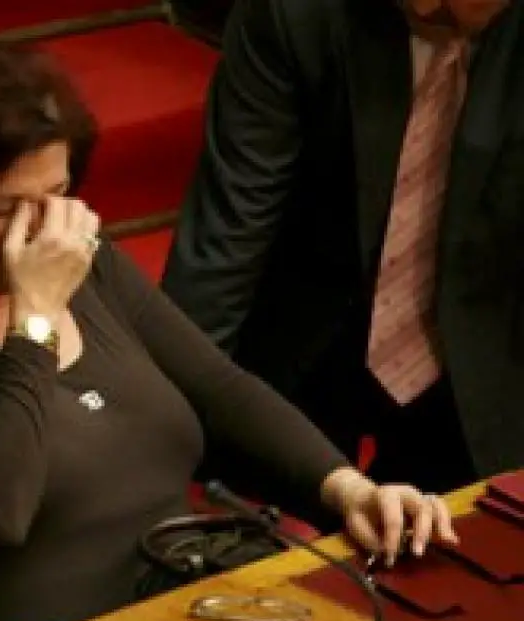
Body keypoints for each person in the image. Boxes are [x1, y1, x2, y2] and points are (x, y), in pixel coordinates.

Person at [0, 36, 457, 621]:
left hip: (202, 597)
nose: (42, 231)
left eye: (57, 195)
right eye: (5, 209)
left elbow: (217, 389)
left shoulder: (84, 261)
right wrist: (35, 319)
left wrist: (346, 488)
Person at [162, 0, 523, 495]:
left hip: (490, 346)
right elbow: (227, 236)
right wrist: (162, 423)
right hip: (307, 329)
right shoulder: (294, 13)